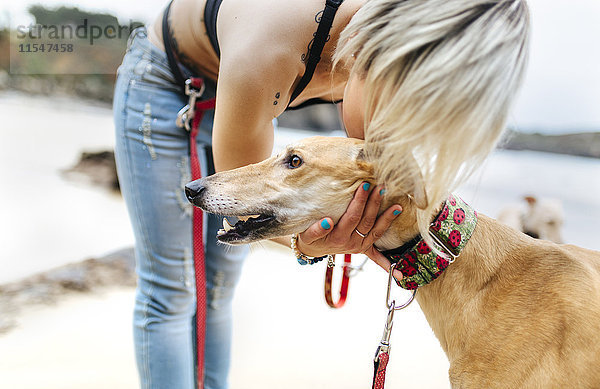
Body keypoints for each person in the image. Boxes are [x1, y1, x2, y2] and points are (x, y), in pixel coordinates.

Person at [112, 0, 529, 388]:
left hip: (246, 90)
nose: (393, 139)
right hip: (166, 83)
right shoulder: (271, 43)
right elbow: (240, 203)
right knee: (173, 287)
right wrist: (311, 243)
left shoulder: (383, 51)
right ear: (379, 53)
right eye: (402, 111)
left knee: (219, 288)